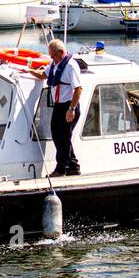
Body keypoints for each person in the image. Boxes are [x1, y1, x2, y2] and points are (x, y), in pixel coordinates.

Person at [36, 39, 81, 177]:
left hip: (69, 106)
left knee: (64, 137)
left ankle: (61, 169)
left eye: (53, 56)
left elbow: (78, 89)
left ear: (61, 52)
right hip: (58, 106)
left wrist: (72, 109)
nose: (52, 59)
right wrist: (27, 70)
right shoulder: (55, 64)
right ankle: (74, 165)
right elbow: (43, 75)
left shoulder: (70, 66)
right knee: (56, 135)